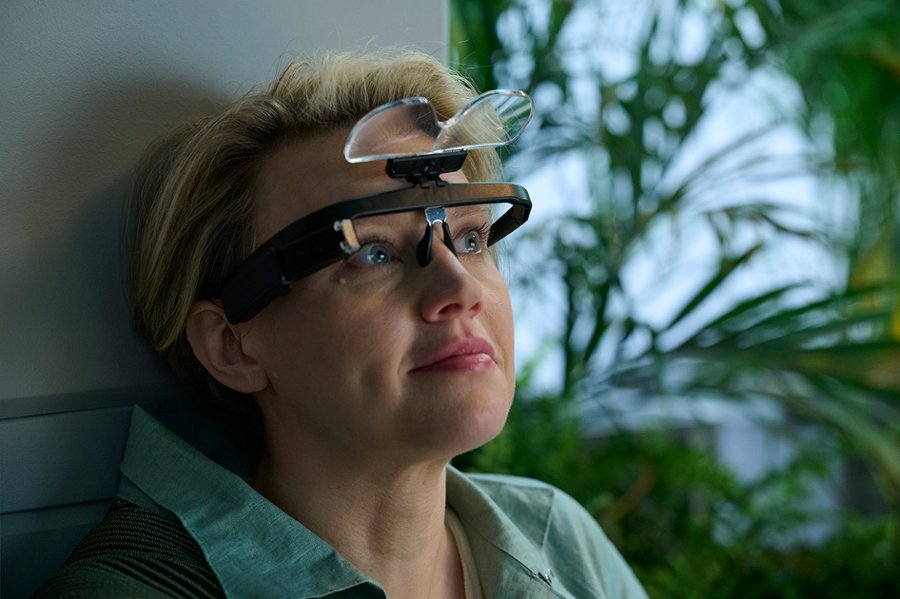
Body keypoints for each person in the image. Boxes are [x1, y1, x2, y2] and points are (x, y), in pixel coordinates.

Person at [36, 50, 648, 599]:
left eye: (470, 239)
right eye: (373, 253)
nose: (460, 291)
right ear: (231, 346)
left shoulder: (558, 538)